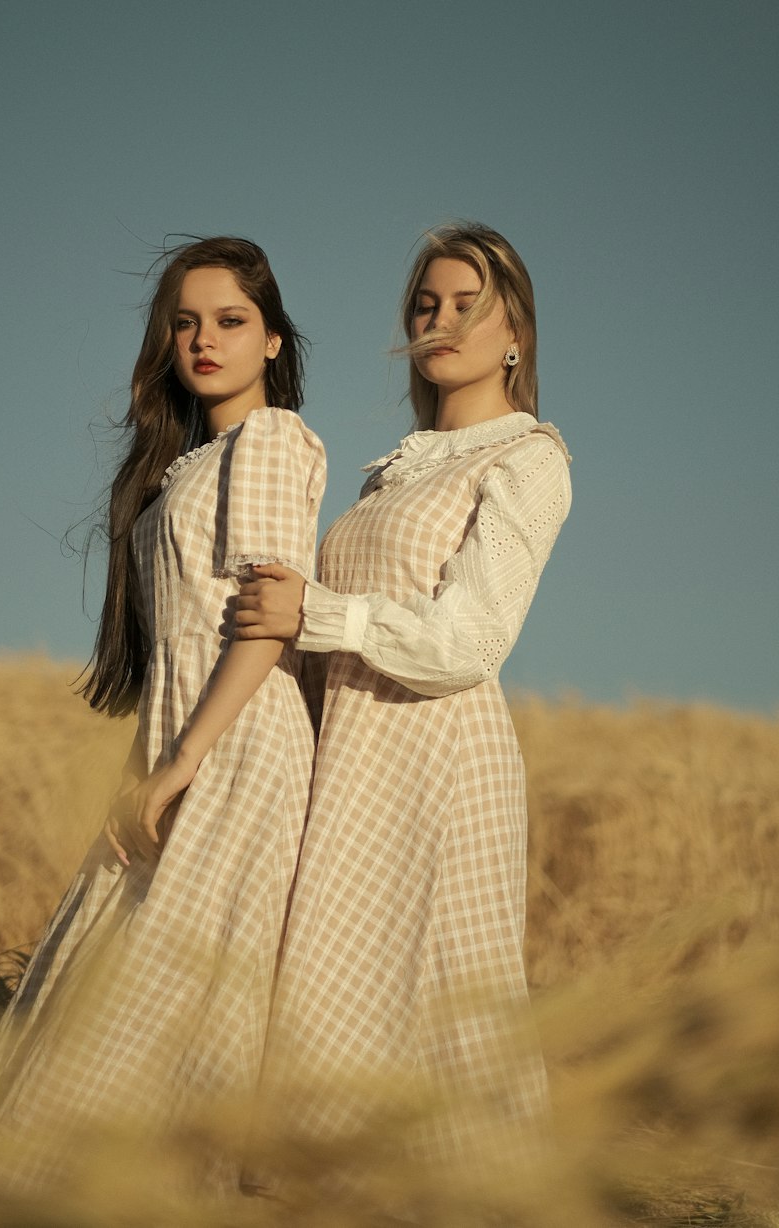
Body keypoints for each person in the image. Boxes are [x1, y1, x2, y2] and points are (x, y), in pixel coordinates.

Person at [0, 237, 326, 1195]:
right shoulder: (185, 466)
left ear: (272, 342)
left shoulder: (271, 441)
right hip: (179, 747)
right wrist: (155, 762)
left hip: (236, 753)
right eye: (185, 323)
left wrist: (183, 764)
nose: (204, 340)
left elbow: (265, 624)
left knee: (154, 1006)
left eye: (230, 321)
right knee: (109, 1001)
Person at [233, 221, 572, 1180]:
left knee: (441, 1016)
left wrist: (318, 612)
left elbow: (471, 640)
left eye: (468, 305)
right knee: (333, 996)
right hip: (352, 754)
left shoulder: (527, 459)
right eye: (426, 305)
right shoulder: (395, 467)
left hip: (437, 760)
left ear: (516, 334)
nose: (440, 321)